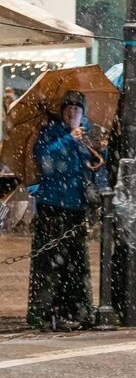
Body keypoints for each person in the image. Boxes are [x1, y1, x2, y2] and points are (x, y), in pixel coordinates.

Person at [27, 91, 96, 331]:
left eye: (77, 109)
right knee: (51, 263)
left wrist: (99, 150)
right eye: (69, 108)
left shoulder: (85, 134)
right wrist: (69, 139)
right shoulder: (51, 132)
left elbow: (91, 165)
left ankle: (75, 309)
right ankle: (48, 312)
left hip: (75, 206)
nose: (72, 113)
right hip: (53, 205)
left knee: (74, 263)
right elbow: (45, 159)